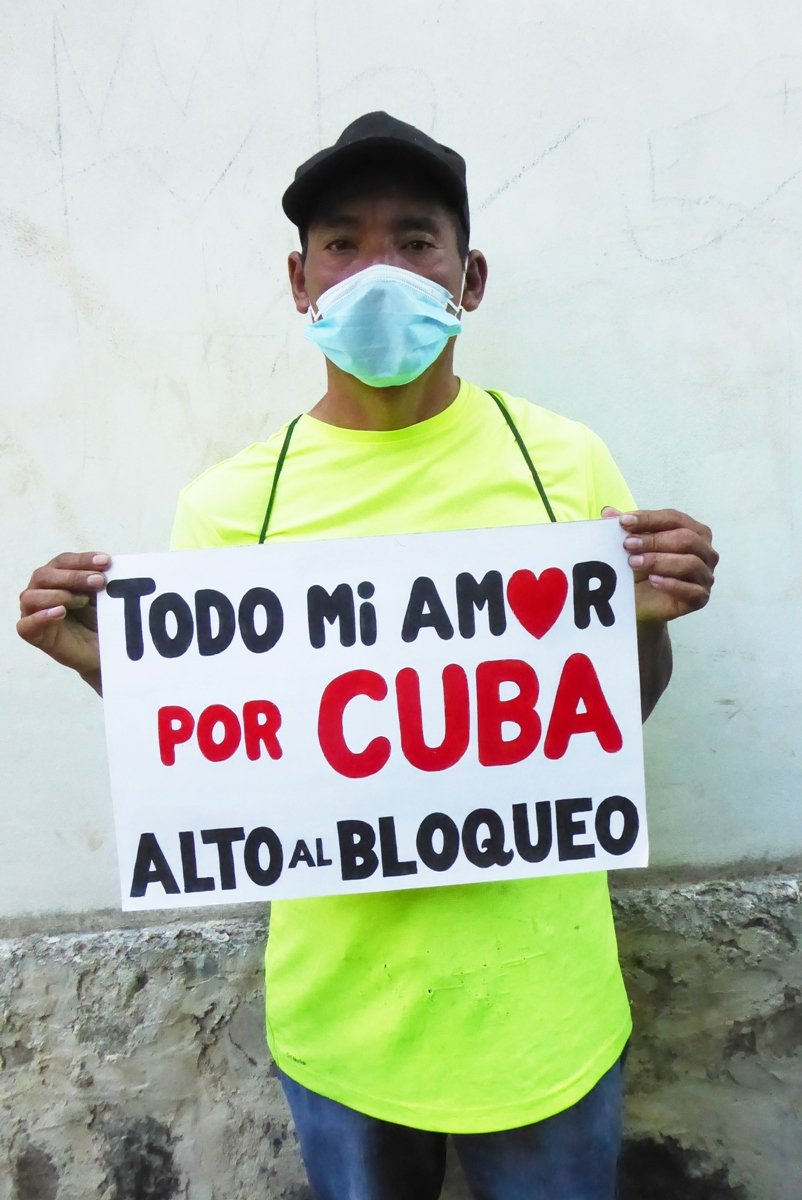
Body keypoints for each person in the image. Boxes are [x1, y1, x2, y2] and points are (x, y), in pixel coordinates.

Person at [18, 112, 717, 1200]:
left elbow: (613, 718)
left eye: (415, 239)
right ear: (299, 282)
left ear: (468, 274)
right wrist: (105, 664)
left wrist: (652, 616)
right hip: (342, 1027)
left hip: (542, 1015)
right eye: (341, 244)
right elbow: (222, 745)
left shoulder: (562, 465)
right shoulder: (231, 506)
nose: (376, 271)